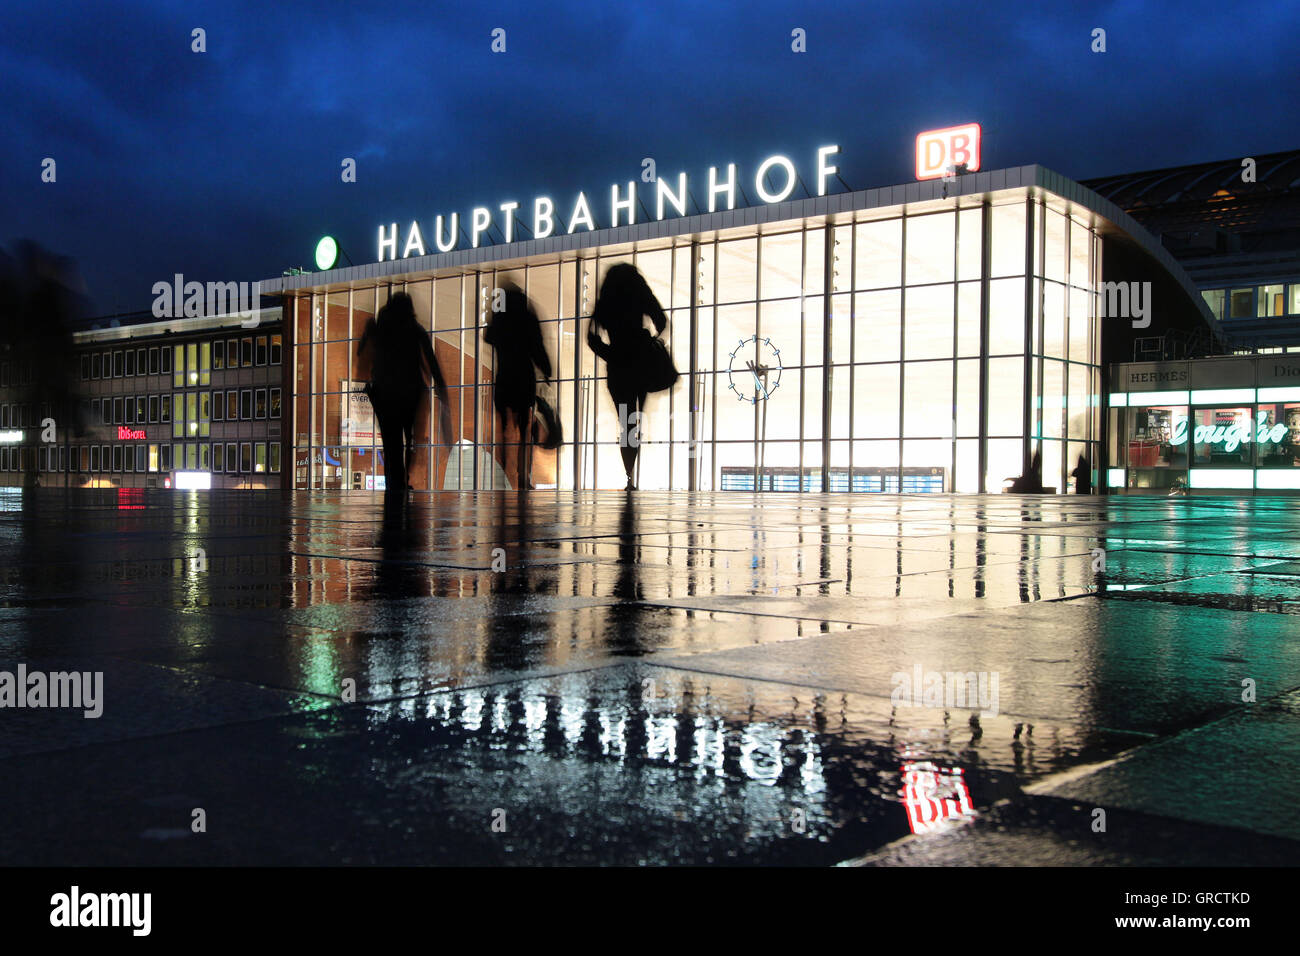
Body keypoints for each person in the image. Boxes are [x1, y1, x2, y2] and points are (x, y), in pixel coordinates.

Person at [586, 264, 674, 490]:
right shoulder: (640, 294)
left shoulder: (606, 301)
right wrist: (653, 344)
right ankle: (630, 475)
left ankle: (629, 475)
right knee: (633, 422)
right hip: (640, 365)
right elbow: (663, 323)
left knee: (627, 422)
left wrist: (611, 354)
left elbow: (592, 338)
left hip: (618, 369)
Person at [356, 292, 452, 493]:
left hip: (384, 394)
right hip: (410, 392)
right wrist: (440, 385)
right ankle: (402, 479)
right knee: (410, 439)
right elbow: (430, 359)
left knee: (391, 441)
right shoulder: (415, 329)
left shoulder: (380, 329)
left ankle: (394, 481)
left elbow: (361, 352)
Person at [483, 281, 560, 490]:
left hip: (504, 376)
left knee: (503, 428)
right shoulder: (527, 316)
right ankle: (523, 476)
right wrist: (547, 369)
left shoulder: (500, 317)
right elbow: (538, 346)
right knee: (524, 429)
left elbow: (487, 336)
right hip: (523, 377)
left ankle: (502, 473)